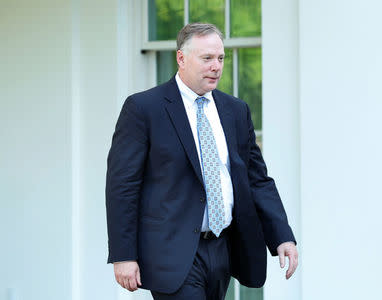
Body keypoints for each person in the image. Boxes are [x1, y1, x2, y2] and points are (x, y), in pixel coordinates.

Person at [106, 22, 298, 300]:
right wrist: (124, 254)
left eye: (220, 58)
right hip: (171, 251)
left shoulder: (235, 110)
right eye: (207, 58)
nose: (216, 66)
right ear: (181, 59)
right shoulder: (143, 109)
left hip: (223, 248)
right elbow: (122, 186)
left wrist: (282, 235)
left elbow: (257, 180)